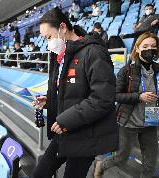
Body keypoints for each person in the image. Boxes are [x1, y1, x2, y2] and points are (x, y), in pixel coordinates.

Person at [33, 7, 118, 178]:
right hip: (65, 130)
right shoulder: (61, 54)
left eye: (49, 37)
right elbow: (70, 92)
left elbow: (103, 98)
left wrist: (65, 120)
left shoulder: (93, 52)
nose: (48, 43)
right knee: (40, 172)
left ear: (63, 28)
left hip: (87, 135)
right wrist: (50, 101)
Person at [93, 32, 159, 178]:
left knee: (150, 163)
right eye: (146, 46)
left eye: (154, 46)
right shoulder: (126, 70)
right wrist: (139, 97)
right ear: (137, 48)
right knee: (121, 157)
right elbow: (115, 95)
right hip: (128, 122)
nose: (150, 49)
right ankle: (101, 165)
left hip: (150, 122)